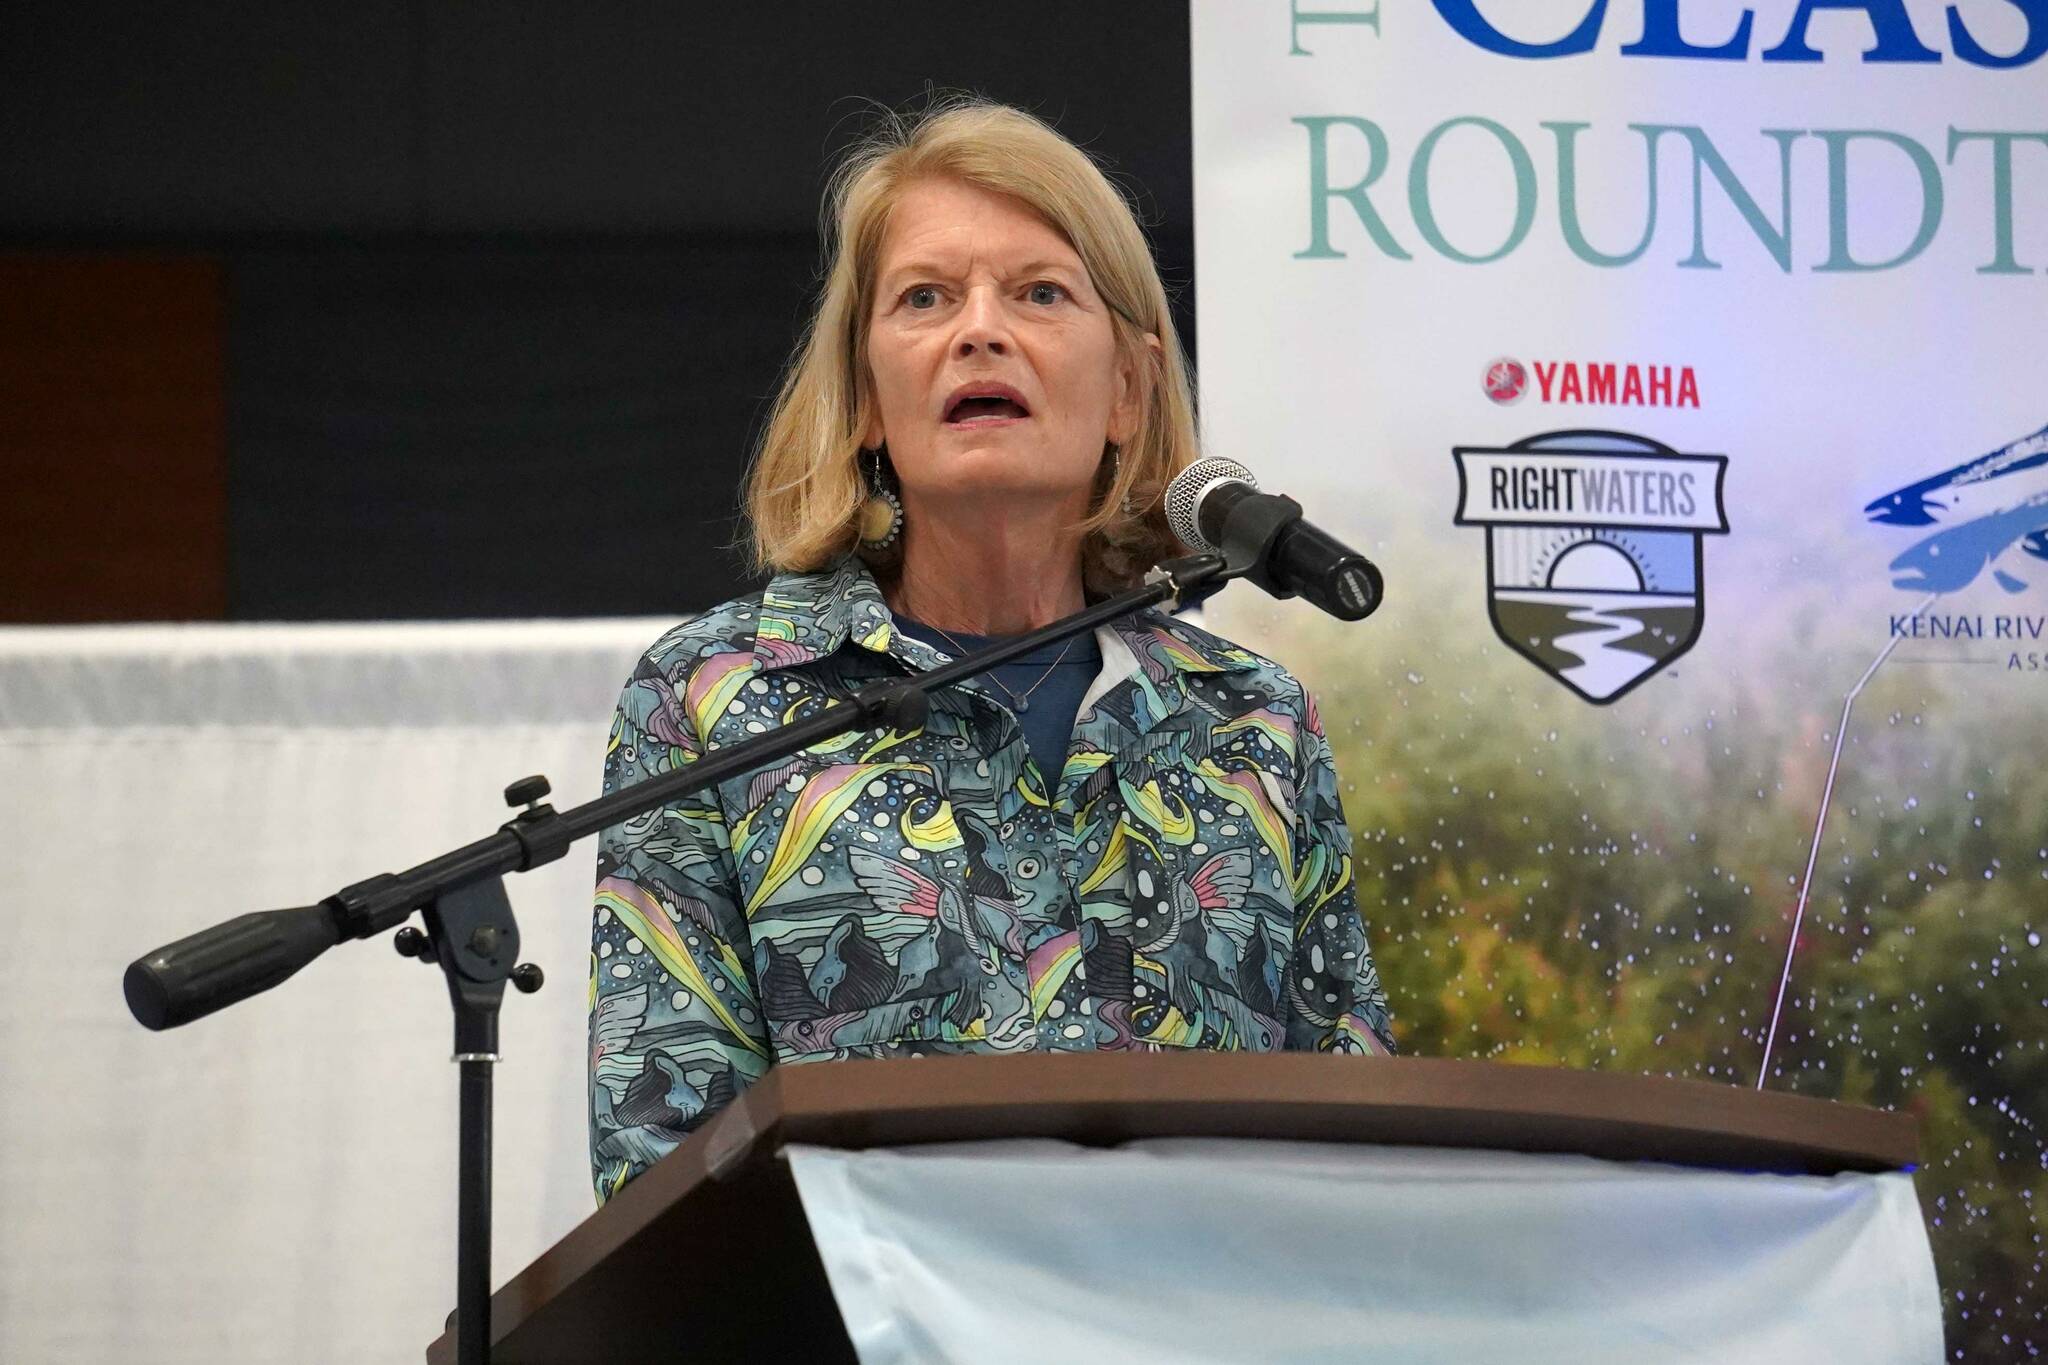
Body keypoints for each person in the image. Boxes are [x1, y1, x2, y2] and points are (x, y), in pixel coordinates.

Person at [587, 97, 1392, 1204]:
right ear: (867, 398)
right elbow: (663, 1159)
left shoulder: (1251, 718)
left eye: (1039, 293)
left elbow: (1350, 1121)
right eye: (925, 297)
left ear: (1126, 389)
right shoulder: (716, 699)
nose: (979, 330)